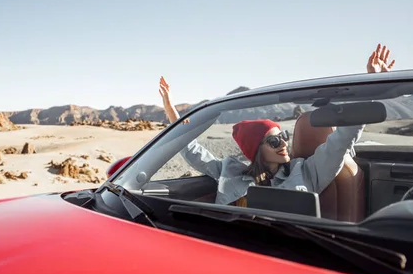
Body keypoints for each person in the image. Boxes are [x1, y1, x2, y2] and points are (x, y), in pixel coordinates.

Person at [158, 44, 396, 207]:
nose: (283, 143)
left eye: (283, 136)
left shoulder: (307, 171)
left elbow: (341, 141)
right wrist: (171, 112)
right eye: (274, 140)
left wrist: (372, 84)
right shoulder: (229, 170)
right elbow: (191, 149)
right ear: (255, 149)